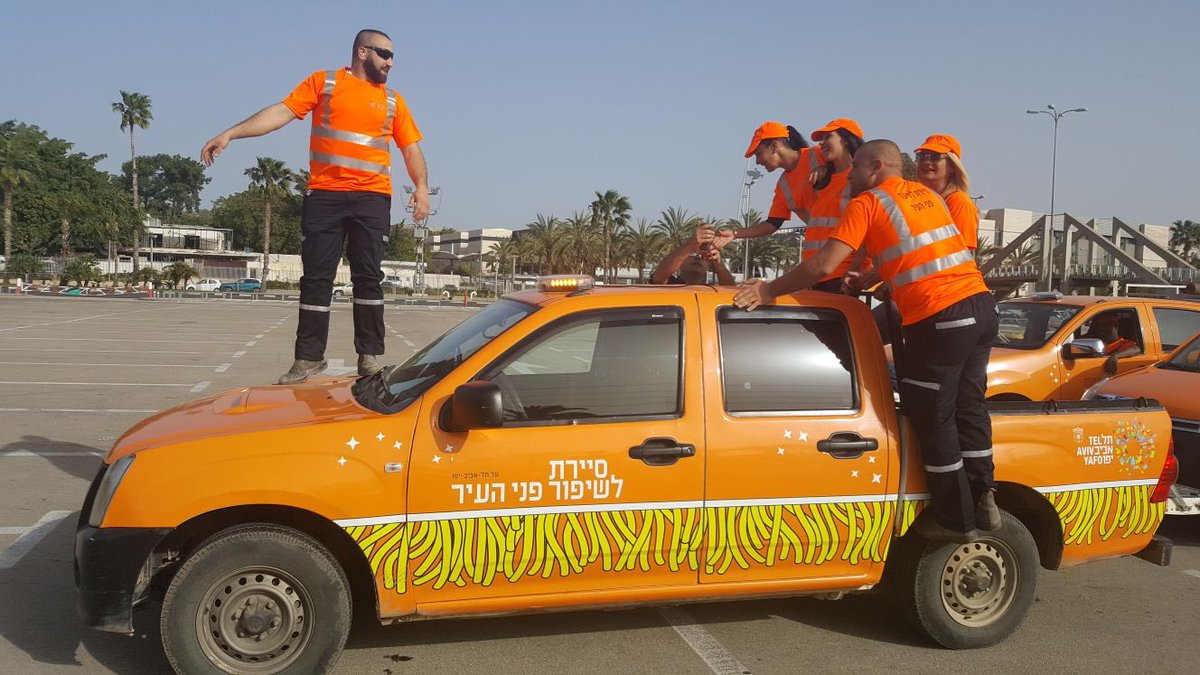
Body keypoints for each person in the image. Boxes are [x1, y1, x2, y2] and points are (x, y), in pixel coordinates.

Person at [734, 140, 999, 543]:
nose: (850, 174)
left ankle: (956, 520)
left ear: (875, 167)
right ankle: (984, 494)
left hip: (939, 315)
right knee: (969, 405)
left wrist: (769, 291)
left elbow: (823, 264)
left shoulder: (868, 203)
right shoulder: (927, 196)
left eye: (855, 167)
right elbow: (923, 255)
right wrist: (872, 278)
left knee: (933, 415)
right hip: (980, 308)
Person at [201, 29, 429, 384]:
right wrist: (232, 133)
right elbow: (281, 112)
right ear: (363, 51)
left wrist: (422, 187)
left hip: (372, 198)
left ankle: (369, 356)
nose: (390, 62)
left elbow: (410, 147)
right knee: (316, 279)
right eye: (384, 53)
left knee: (368, 277)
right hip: (325, 195)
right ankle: (308, 359)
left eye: (393, 56)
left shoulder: (392, 101)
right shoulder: (324, 83)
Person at [718, 122, 825, 245]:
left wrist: (828, 168)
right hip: (824, 245)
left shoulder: (818, 154)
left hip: (847, 237)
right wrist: (734, 233)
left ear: (774, 146)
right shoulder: (783, 185)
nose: (757, 162)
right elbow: (773, 223)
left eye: (758, 154)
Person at [914, 134, 977, 250]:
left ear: (953, 166)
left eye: (935, 157)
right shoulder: (915, 199)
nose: (926, 162)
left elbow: (960, 253)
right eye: (922, 156)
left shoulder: (960, 203)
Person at [651, 224, 735, 285]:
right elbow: (659, 277)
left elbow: (730, 291)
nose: (698, 257)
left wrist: (719, 264)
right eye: (693, 253)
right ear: (681, 262)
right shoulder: (671, 285)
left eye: (703, 254)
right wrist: (690, 245)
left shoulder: (712, 291)